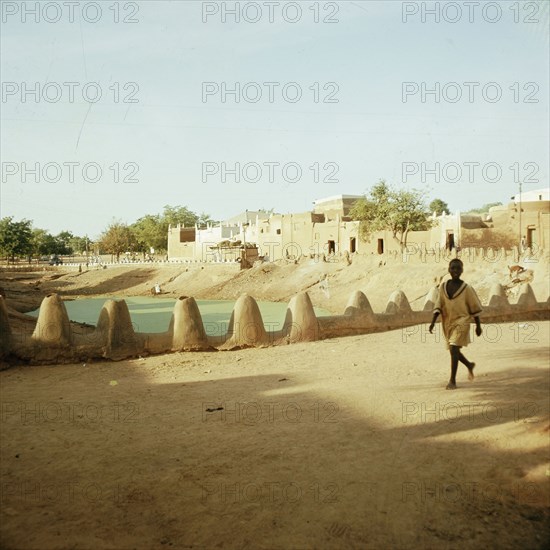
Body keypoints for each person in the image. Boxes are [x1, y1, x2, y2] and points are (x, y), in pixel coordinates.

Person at [429, 258, 483, 390]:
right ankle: (469, 365)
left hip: (463, 321)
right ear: (449, 269)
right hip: (448, 322)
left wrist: (478, 325)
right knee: (454, 350)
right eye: (453, 268)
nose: (455, 271)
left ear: (462, 270)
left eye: (458, 268)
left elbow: (474, 307)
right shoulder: (443, 287)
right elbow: (439, 304)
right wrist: (432, 322)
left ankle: (452, 380)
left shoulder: (467, 289)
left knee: (453, 348)